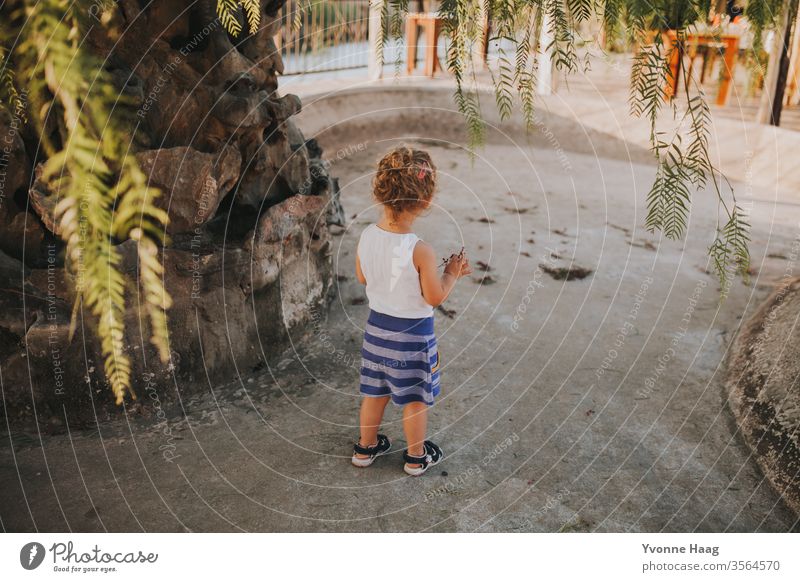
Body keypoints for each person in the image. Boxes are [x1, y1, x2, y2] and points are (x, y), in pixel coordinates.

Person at [351, 145, 472, 476]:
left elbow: (363, 276)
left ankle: (365, 449)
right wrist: (452, 273)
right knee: (415, 400)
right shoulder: (421, 250)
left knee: (375, 393)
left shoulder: (365, 236)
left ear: (380, 192)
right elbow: (433, 297)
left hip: (376, 333)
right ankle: (416, 457)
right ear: (426, 201)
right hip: (412, 339)